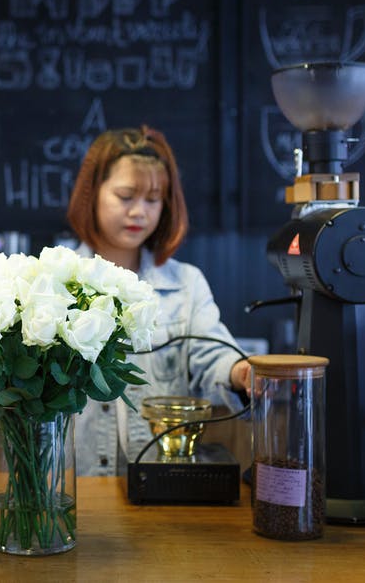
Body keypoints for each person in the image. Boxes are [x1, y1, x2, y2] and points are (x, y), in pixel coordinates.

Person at [65, 126, 251, 477]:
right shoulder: (53, 285)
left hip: (159, 481)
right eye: (125, 196)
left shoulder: (186, 284)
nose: (139, 212)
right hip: (71, 483)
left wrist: (241, 372)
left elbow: (212, 353)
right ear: (92, 195)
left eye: (152, 200)